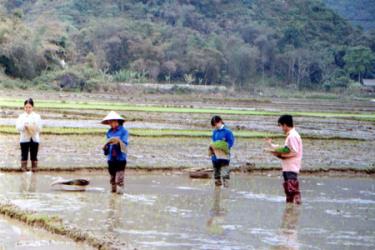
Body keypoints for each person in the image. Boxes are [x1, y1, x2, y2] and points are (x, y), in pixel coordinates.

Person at [266, 115, 303, 205]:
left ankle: (296, 208)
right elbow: (285, 148)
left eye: (281, 126)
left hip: (292, 166)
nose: (281, 128)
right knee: (288, 190)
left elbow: (294, 151)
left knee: (292, 189)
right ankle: (290, 208)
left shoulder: (292, 136)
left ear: (285, 125)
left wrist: (280, 155)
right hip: (288, 166)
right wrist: (272, 145)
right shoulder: (291, 136)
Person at [102, 111, 129, 194]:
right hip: (111, 158)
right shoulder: (109, 132)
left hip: (120, 158)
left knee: (119, 179)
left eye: (112, 121)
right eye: (109, 122)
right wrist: (105, 147)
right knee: (112, 178)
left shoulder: (124, 131)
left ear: (117, 121)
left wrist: (118, 142)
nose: (111, 123)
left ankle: (120, 194)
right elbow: (107, 143)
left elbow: (125, 143)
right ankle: (113, 194)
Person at [16, 98, 42, 172]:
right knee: (24, 155)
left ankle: (34, 169)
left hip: (34, 139)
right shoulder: (21, 117)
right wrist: (24, 126)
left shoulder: (37, 116)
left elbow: (39, 128)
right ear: (24, 107)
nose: (28, 109)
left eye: (29, 107)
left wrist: (32, 126)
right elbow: (18, 128)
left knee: (34, 156)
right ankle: (23, 169)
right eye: (26, 107)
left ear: (32, 107)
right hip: (24, 139)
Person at [209, 116, 235, 187]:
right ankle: (217, 192)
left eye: (216, 124)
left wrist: (223, 146)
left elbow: (231, 142)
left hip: (224, 156)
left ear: (220, 121)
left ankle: (226, 193)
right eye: (214, 125)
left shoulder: (227, 132)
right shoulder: (214, 132)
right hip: (215, 157)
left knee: (225, 174)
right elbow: (213, 142)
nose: (215, 126)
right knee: (216, 175)